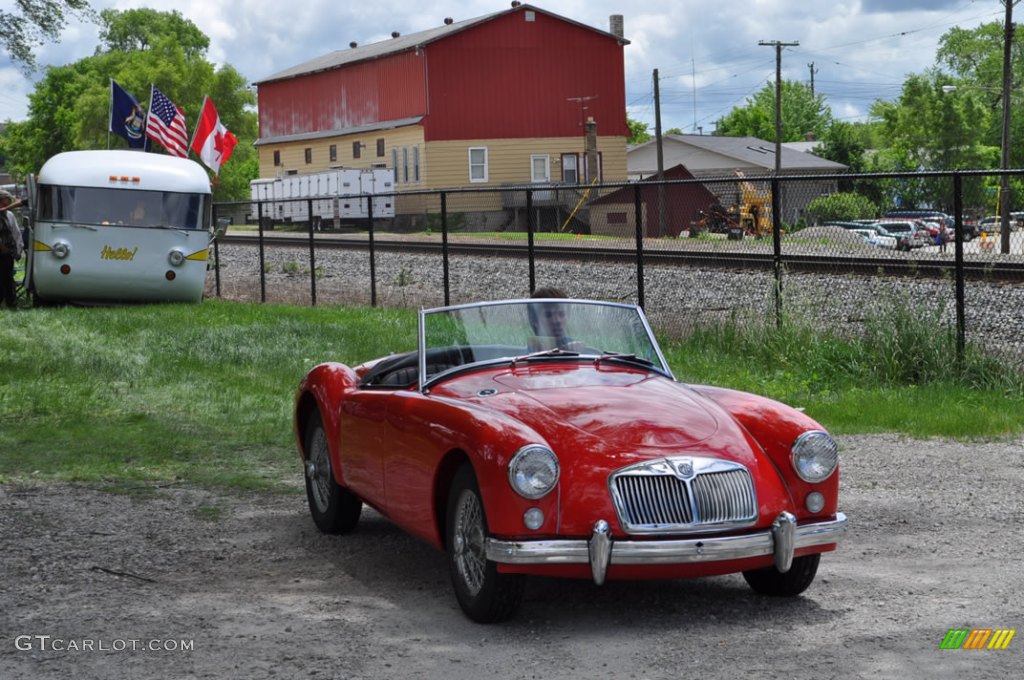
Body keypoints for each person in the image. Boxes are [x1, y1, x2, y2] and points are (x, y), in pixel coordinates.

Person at [528, 286, 581, 351]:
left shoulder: (575, 348)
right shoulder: (525, 356)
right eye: (548, 315)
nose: (557, 320)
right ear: (535, 320)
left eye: (561, 314)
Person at [0, 190, 25, 310]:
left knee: (8, 277)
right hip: (2, 252)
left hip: (7, 253)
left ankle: (11, 302)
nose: (9, 201)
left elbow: (16, 232)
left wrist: (18, 249)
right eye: (7, 199)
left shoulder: (9, 215)